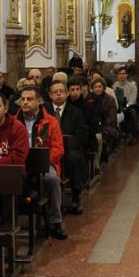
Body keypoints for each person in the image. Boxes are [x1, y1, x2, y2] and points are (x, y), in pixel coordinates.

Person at [16, 86, 67, 240]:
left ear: (39, 101)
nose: (24, 102)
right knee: (6, 178)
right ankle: (6, 218)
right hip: (19, 162)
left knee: (51, 179)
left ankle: (55, 221)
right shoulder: (13, 121)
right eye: (22, 99)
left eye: (29, 99)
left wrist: (42, 159)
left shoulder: (50, 122)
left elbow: (58, 149)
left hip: (44, 163)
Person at [46, 80, 88, 214]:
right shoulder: (44, 111)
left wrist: (67, 146)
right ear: (50, 95)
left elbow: (81, 134)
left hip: (69, 149)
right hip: (50, 149)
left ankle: (76, 196)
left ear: (66, 93)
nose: (58, 95)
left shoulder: (76, 111)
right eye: (55, 92)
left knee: (74, 158)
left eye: (61, 92)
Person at [114, 66, 139, 145]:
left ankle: (134, 135)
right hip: (117, 107)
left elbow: (132, 100)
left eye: (123, 73)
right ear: (117, 76)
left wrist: (126, 106)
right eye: (120, 74)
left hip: (128, 107)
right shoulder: (115, 85)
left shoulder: (132, 85)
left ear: (127, 75)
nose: (122, 75)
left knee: (133, 112)